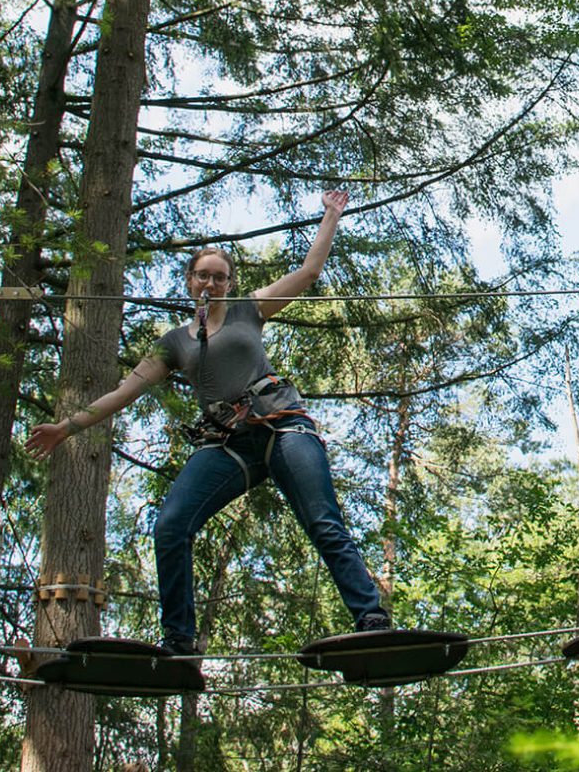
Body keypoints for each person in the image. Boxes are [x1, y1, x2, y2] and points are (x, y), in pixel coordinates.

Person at [24, 190, 389, 654]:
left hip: (281, 426)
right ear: (190, 281)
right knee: (171, 526)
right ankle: (179, 640)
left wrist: (331, 217)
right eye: (203, 276)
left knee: (322, 520)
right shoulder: (175, 343)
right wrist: (66, 428)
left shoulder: (249, 309)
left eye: (220, 277)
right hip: (227, 445)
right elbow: (123, 392)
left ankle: (370, 616)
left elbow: (308, 273)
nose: (211, 284)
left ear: (230, 283)